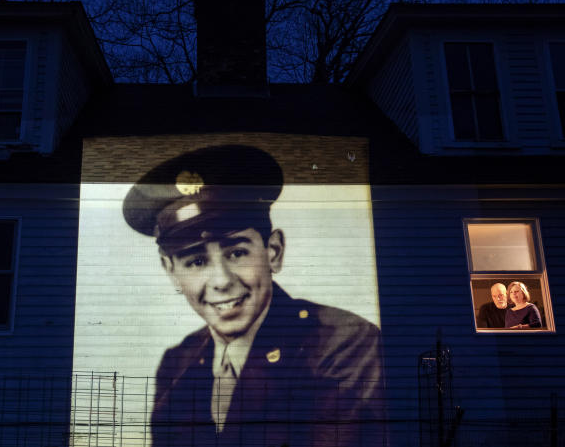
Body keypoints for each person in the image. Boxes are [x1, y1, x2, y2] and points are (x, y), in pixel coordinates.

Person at [122, 144, 386, 447]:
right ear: (171, 272)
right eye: (196, 261)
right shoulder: (177, 362)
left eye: (237, 253)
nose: (221, 281)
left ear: (273, 252)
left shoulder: (343, 343)